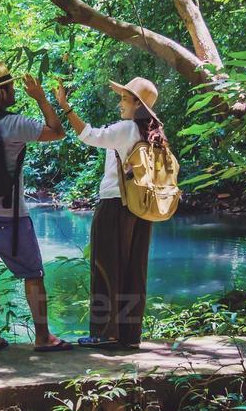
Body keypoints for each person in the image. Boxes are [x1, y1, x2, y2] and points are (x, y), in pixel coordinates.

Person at [0, 61, 72, 353]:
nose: (13, 91)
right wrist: (40, 98)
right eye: (9, 87)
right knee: (33, 274)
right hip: (8, 217)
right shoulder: (14, 124)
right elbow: (57, 131)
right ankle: (43, 337)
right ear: (0, 93)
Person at [53, 76, 166, 349]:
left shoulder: (127, 129)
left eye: (124, 99)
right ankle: (129, 337)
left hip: (115, 205)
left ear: (137, 104)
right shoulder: (155, 133)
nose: (120, 104)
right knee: (134, 270)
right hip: (142, 209)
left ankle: (104, 334)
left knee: (105, 268)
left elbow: (88, 135)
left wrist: (65, 106)